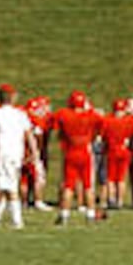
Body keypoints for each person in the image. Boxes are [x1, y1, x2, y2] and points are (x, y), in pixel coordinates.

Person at [0, 84, 40, 228]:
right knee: (5, 184)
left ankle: (17, 221)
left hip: (4, 152)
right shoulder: (21, 114)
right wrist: (35, 153)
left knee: (10, 187)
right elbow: (29, 135)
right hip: (18, 152)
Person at [52, 90, 103, 225]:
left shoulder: (64, 114)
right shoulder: (91, 115)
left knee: (68, 185)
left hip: (71, 151)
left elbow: (58, 131)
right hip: (85, 151)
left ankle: (64, 214)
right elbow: (101, 124)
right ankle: (90, 214)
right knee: (88, 185)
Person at [100, 99, 133, 209]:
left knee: (111, 178)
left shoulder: (108, 120)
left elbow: (103, 136)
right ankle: (120, 201)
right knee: (121, 178)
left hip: (112, 150)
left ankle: (111, 199)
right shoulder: (130, 120)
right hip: (125, 150)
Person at [22, 96, 53, 211]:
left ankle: (24, 202)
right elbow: (38, 136)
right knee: (38, 177)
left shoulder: (23, 117)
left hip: (21, 151)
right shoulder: (37, 120)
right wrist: (37, 152)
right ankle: (38, 201)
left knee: (23, 179)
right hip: (32, 151)